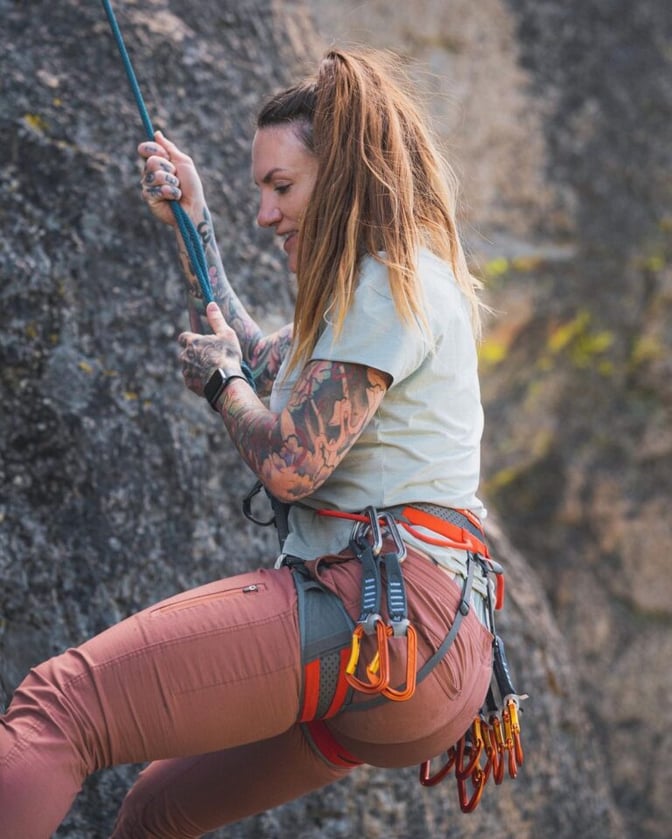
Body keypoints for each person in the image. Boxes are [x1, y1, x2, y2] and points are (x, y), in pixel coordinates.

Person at [0, 48, 496, 837]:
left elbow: (293, 463)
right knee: (156, 810)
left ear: (338, 180)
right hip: (422, 657)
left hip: (386, 618)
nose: (266, 213)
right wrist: (195, 225)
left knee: (62, 706)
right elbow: (265, 358)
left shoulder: (385, 280)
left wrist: (220, 386)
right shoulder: (390, 283)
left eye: (282, 187)